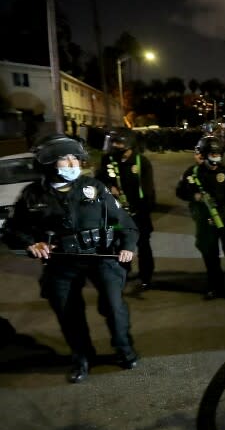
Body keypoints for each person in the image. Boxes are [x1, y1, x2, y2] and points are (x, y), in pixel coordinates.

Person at [3, 135, 139, 383]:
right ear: (49, 163)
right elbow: (13, 229)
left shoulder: (94, 187)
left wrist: (128, 245)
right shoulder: (32, 195)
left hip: (100, 256)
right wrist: (30, 243)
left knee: (114, 307)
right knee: (68, 314)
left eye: (74, 158)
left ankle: (124, 350)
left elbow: (126, 223)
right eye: (64, 159)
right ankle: (82, 357)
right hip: (61, 261)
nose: (72, 163)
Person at [176, 136, 225, 300]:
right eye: (212, 154)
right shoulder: (193, 172)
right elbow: (180, 192)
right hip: (204, 222)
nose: (216, 157)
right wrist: (195, 196)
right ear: (204, 155)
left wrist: (220, 215)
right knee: (210, 254)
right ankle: (215, 286)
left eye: (217, 154)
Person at [96, 130, 156, 289]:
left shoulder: (141, 161)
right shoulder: (108, 160)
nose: (115, 146)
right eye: (114, 143)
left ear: (129, 144)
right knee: (119, 244)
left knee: (143, 245)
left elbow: (149, 191)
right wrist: (109, 188)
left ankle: (146, 277)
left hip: (139, 213)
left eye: (119, 144)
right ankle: (123, 273)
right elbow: (98, 182)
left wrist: (143, 210)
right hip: (117, 214)